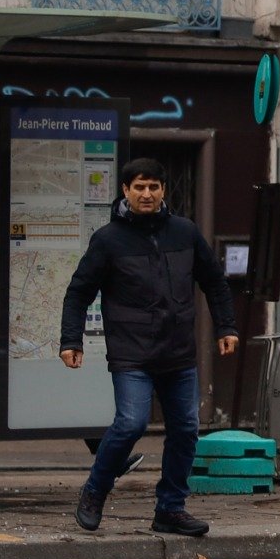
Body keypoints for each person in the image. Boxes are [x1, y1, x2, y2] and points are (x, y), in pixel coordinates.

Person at [60, 158, 237, 537]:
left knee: (187, 428)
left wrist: (226, 326)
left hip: (178, 353)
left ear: (162, 191)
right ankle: (94, 491)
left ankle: (170, 509)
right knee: (131, 423)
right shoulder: (108, 239)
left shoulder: (185, 232)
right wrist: (70, 340)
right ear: (125, 190)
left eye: (154, 187)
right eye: (139, 187)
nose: (147, 194)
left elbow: (215, 282)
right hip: (132, 353)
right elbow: (78, 293)